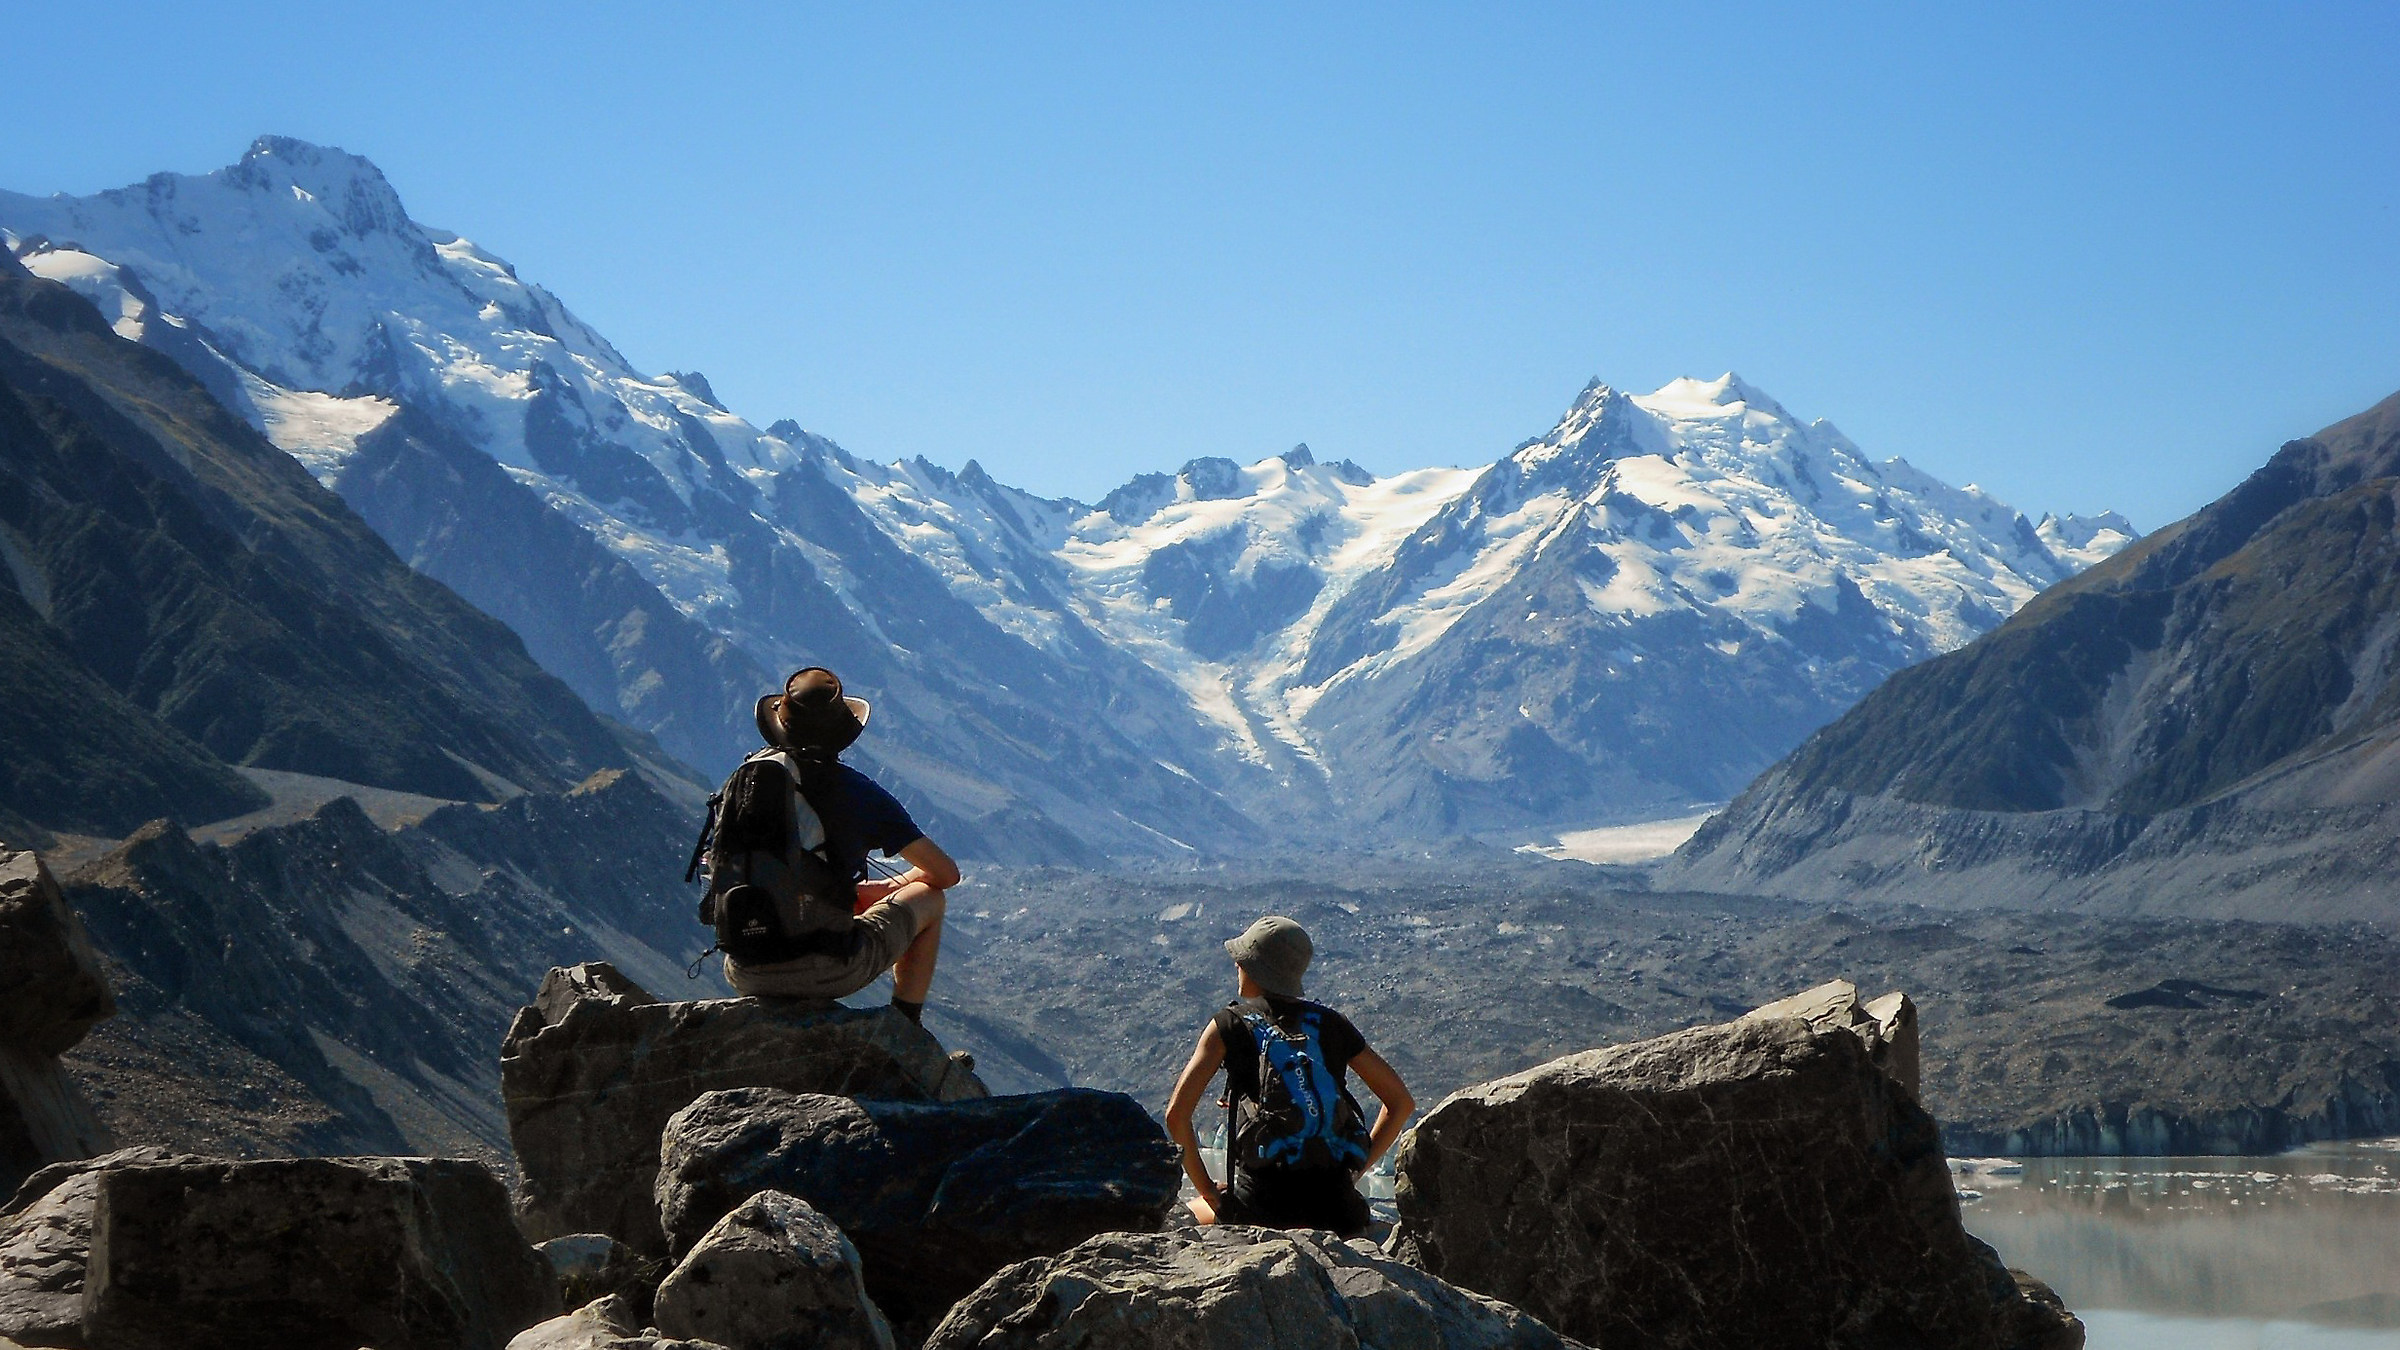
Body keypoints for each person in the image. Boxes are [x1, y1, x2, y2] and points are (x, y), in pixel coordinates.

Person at [721, 666, 959, 1023]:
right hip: (824, 968)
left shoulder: (747, 781)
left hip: (743, 965)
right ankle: (905, 1025)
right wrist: (885, 887)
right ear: (842, 733)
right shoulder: (856, 791)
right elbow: (945, 874)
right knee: (930, 899)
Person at [1164, 915, 1414, 1236]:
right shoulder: (1331, 1024)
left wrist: (1211, 1193)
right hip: (1339, 1211)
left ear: (1255, 969)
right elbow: (1400, 1103)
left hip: (1262, 1209)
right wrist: (1354, 1172)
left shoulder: (1228, 1025)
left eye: (1242, 961)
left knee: (1184, 1214)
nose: (1237, 967)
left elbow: (1176, 1117)